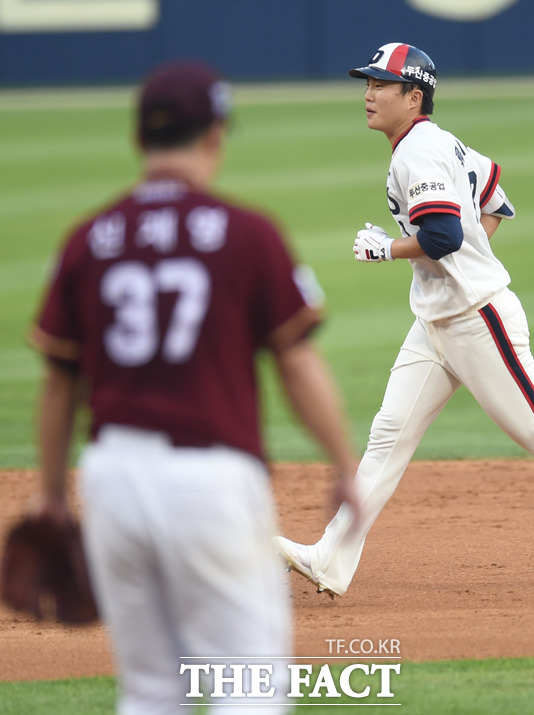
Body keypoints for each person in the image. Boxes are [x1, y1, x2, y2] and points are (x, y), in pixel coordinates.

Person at [28, 60, 359, 714]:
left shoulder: (89, 239)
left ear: (137, 141)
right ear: (215, 137)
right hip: (209, 485)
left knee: (151, 691)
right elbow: (294, 362)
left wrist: (49, 493)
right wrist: (344, 461)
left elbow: (59, 379)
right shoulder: (246, 232)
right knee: (252, 687)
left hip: (110, 479)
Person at [273, 42, 534, 599]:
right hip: (437, 324)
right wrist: (467, 262)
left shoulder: (417, 152)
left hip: (478, 320)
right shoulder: (437, 143)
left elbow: (443, 235)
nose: (367, 94)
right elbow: (493, 194)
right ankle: (329, 560)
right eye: (366, 84)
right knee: (387, 437)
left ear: (413, 98)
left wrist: (386, 250)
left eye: (380, 86)